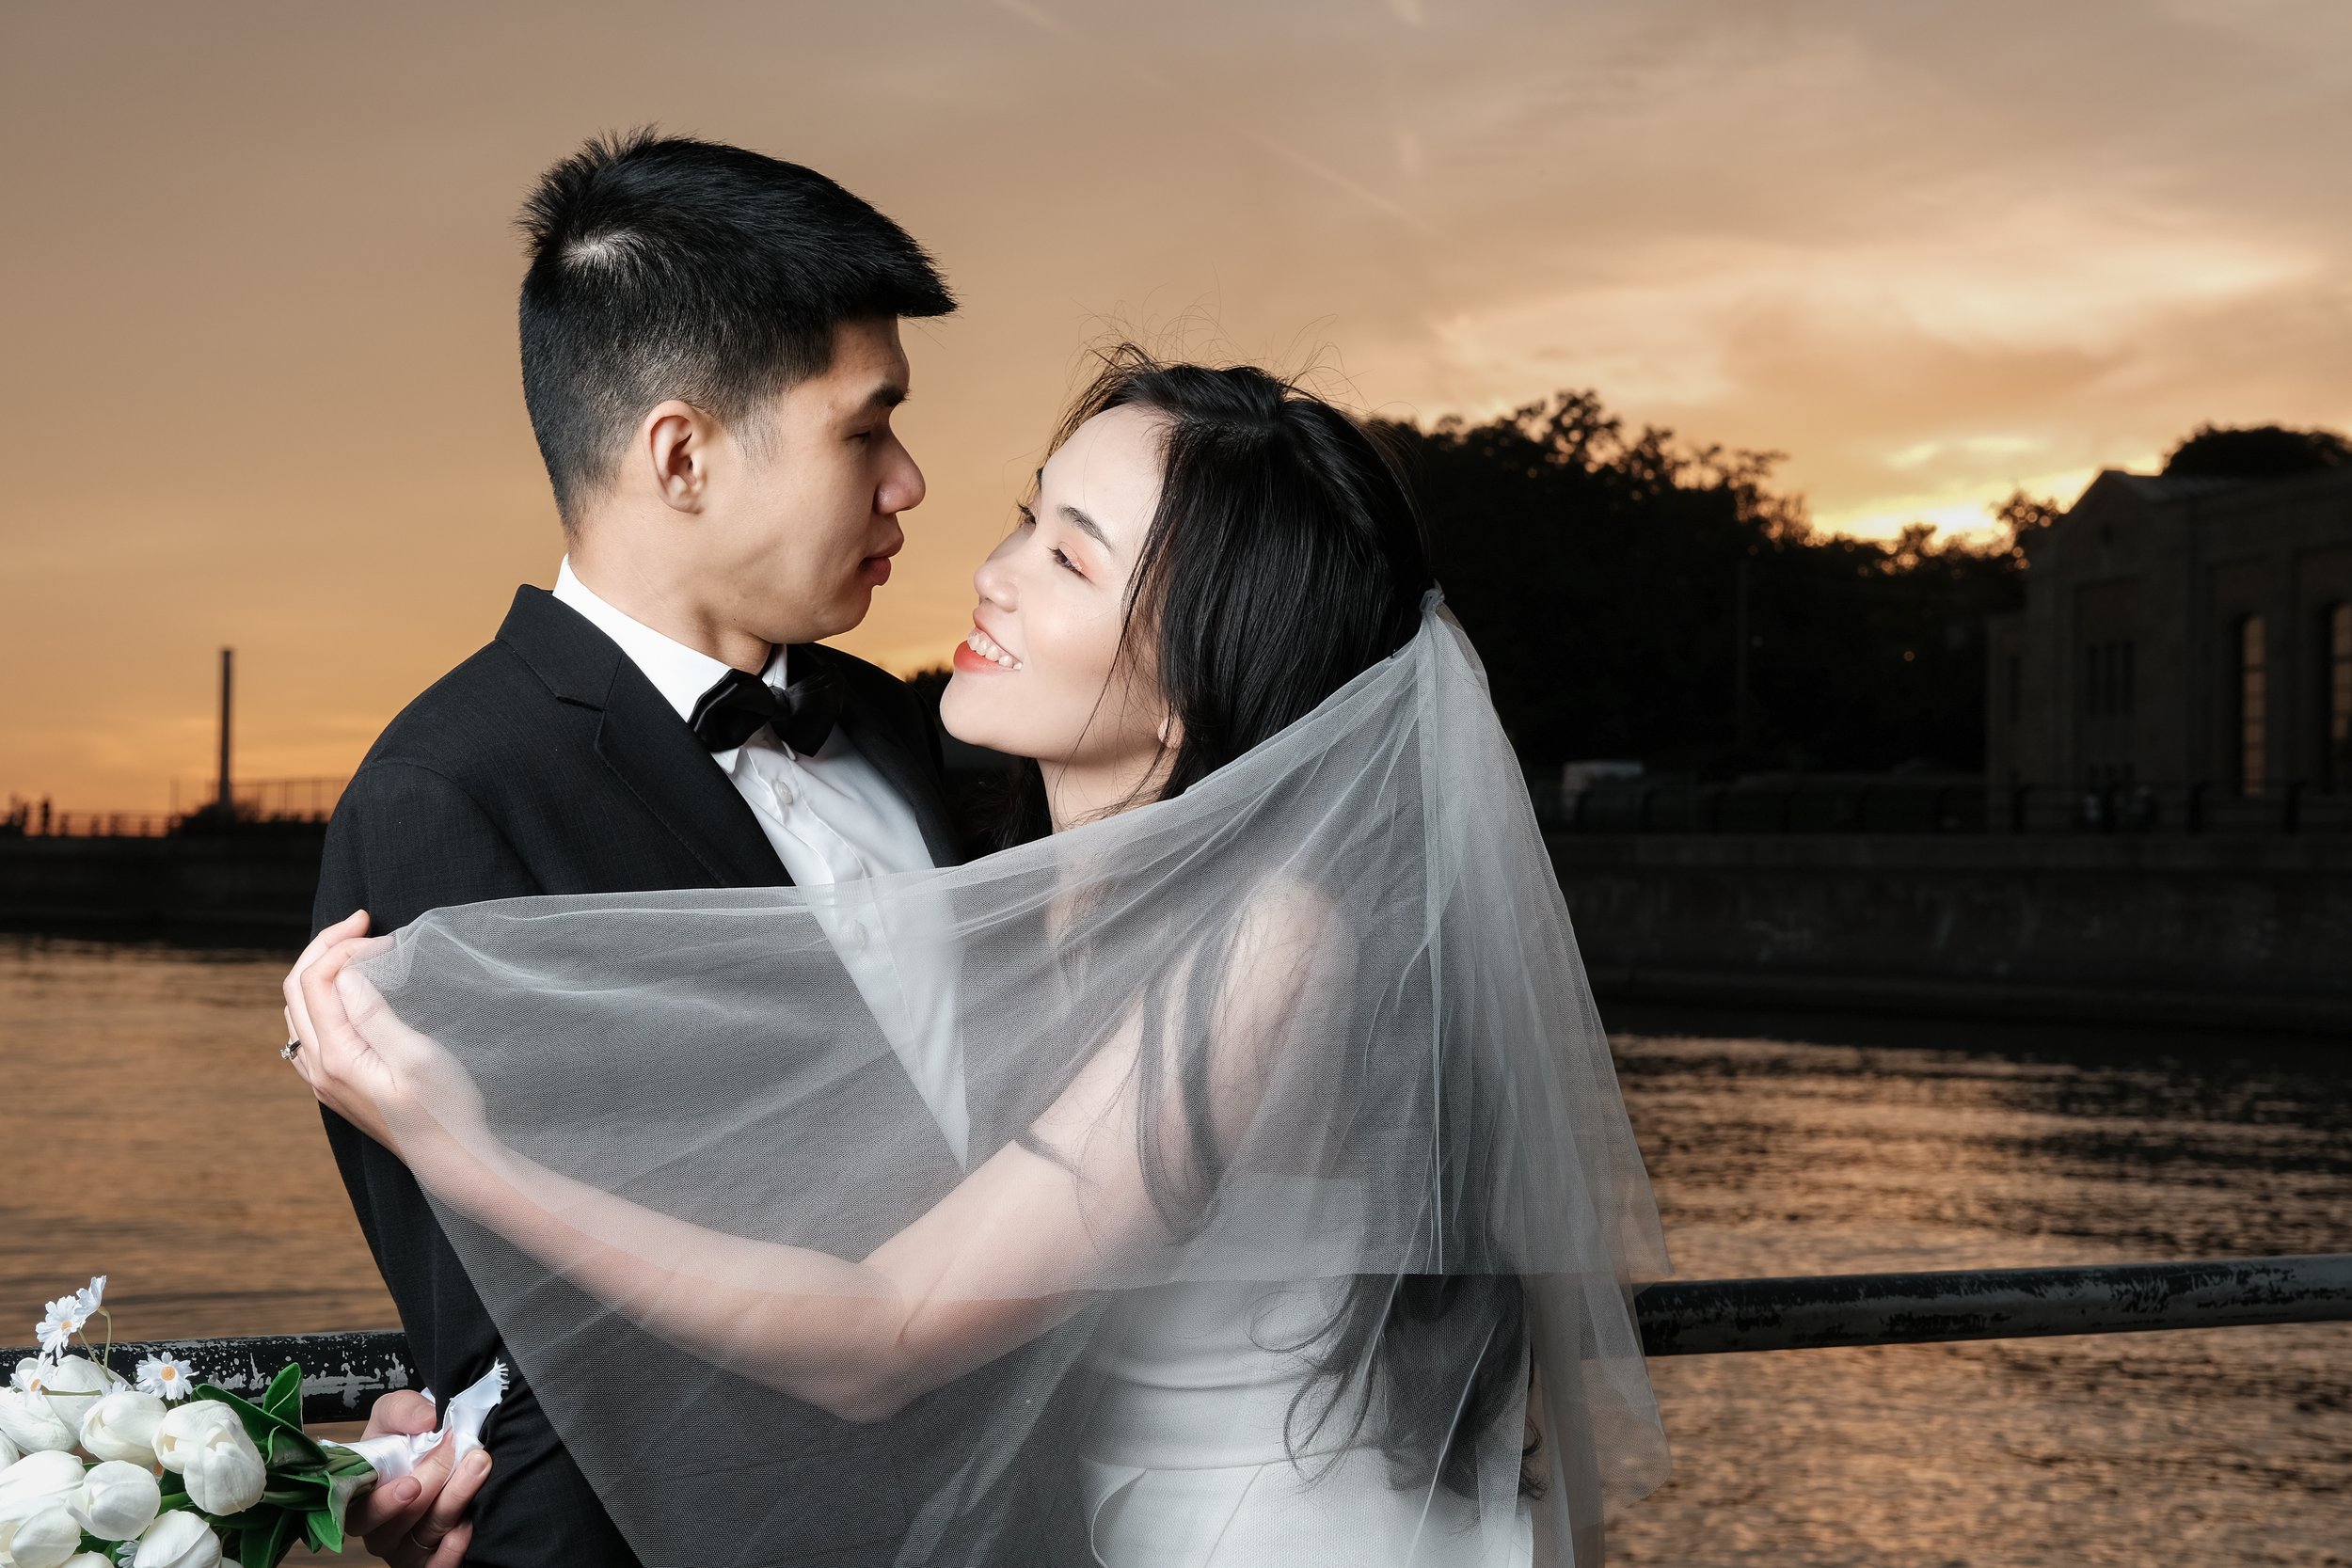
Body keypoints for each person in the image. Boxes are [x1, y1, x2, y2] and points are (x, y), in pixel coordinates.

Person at [286, 352, 1674, 1565]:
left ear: (1209, 660)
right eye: (1027, 517)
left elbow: (889, 1328)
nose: (991, 571)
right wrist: (481, 1412)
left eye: (1070, 556)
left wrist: (458, 1145)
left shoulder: (1274, 938)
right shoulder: (1007, 862)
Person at [302, 130, 1094, 1566]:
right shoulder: (446, 797)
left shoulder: (909, 724)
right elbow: (526, 1365)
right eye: (867, 427)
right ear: (682, 454)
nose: (911, 481)